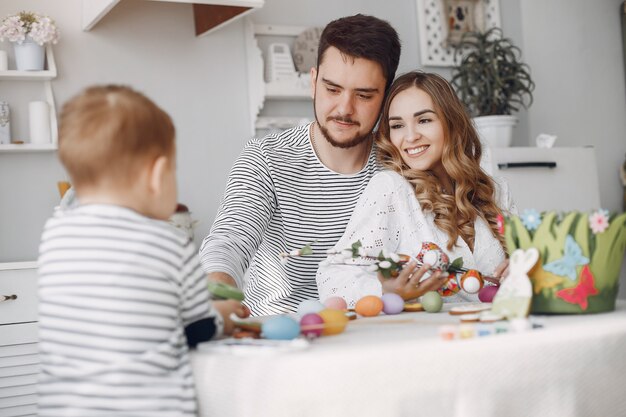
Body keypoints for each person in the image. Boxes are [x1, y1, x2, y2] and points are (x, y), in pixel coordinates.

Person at [37, 85, 247, 416]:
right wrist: (226, 314)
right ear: (157, 174)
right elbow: (198, 327)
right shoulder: (169, 243)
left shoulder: (54, 237)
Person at [200, 14, 401, 316]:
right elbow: (229, 241)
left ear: (386, 97)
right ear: (313, 82)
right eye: (332, 89)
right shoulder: (265, 158)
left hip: (368, 331)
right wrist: (217, 296)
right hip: (281, 332)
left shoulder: (397, 164)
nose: (344, 109)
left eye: (364, 95)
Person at [316, 71, 517, 308]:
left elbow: (533, 264)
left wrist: (523, 266)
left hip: (500, 334)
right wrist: (385, 291)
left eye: (424, 120)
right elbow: (333, 275)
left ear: (451, 123)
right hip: (431, 339)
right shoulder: (391, 189)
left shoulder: (496, 191)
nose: (410, 136)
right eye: (398, 125)